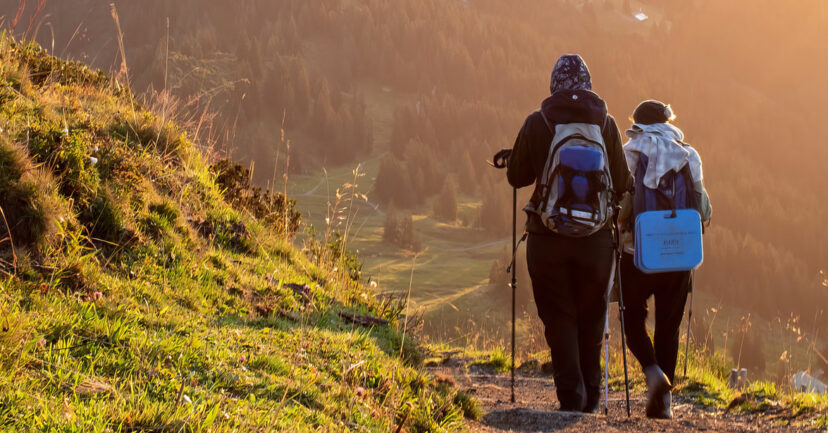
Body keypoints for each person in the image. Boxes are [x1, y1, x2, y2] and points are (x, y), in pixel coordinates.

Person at [506, 54, 632, 412]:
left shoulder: (538, 121)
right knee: (593, 315)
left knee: (559, 315)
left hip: (547, 240)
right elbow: (623, 183)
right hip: (596, 243)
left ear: (554, 85)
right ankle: (592, 398)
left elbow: (517, 177)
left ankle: (571, 396)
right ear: (587, 85)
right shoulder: (605, 124)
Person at [618, 100, 712, 419]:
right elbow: (704, 211)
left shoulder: (628, 152)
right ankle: (665, 405)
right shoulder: (689, 154)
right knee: (668, 329)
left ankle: (653, 371)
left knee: (631, 318)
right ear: (668, 121)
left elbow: (617, 204)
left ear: (638, 123)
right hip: (680, 255)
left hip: (637, 255)